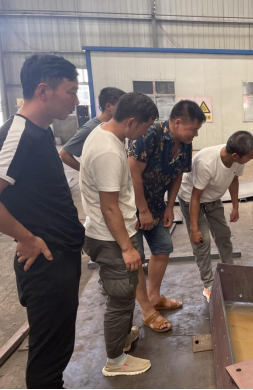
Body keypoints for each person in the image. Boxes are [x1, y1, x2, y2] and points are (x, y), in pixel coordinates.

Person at [0, 54, 84, 388]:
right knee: (47, 360)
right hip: (45, 262)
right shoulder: (18, 134)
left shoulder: (42, 132)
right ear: (44, 91)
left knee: (58, 349)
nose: (76, 101)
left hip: (61, 256)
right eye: (71, 92)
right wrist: (25, 237)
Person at [80, 92, 158, 377]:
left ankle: (122, 339)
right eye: (145, 128)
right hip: (110, 238)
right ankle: (115, 361)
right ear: (131, 122)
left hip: (111, 232)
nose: (144, 134)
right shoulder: (109, 152)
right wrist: (127, 247)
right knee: (121, 298)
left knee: (125, 292)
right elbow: (109, 207)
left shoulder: (106, 134)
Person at [128, 100, 205, 315]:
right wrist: (143, 211)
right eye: (194, 129)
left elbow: (178, 174)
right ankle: (144, 308)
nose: (195, 134)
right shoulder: (150, 134)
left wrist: (170, 207)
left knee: (163, 248)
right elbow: (133, 174)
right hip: (131, 207)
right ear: (178, 122)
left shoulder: (184, 143)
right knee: (136, 257)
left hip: (157, 205)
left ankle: (154, 296)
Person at [179, 131, 253, 303]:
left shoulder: (237, 159)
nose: (252, 158)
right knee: (202, 241)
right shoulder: (206, 163)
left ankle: (229, 272)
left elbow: (234, 180)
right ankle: (208, 284)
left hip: (213, 198)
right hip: (191, 198)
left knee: (223, 235)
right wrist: (194, 229)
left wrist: (236, 206)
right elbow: (195, 197)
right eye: (250, 155)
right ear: (235, 155)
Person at [60, 87, 125, 171]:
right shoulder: (90, 128)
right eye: (121, 107)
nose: (125, 110)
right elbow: (64, 154)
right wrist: (87, 173)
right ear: (108, 107)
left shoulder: (117, 126)